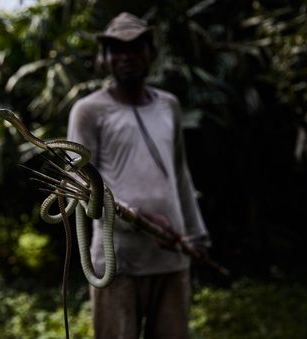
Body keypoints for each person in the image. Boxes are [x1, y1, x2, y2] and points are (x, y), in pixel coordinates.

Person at [67, 12, 210, 339]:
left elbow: (180, 172)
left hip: (171, 257)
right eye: (116, 49)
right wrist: (140, 216)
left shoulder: (168, 105)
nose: (126, 57)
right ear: (105, 58)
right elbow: (78, 185)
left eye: (135, 48)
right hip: (119, 262)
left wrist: (196, 233)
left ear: (151, 52)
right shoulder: (89, 110)